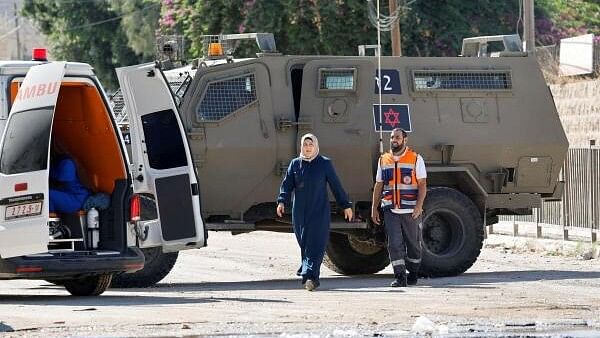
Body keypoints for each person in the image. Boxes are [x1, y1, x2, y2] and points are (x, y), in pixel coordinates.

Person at [277, 133, 353, 291]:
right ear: (301, 147)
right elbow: (287, 185)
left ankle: (311, 277)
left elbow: (335, 185)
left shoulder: (324, 163)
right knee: (304, 243)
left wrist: (345, 205)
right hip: (300, 212)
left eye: (311, 145)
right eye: (305, 145)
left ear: (316, 146)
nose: (308, 148)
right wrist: (282, 201)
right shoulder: (295, 164)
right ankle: (307, 272)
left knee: (316, 243)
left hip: (319, 210)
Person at [371, 128, 427, 287]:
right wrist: (374, 207)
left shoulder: (416, 159)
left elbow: (422, 185)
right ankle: (400, 277)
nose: (394, 140)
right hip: (390, 210)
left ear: (405, 139)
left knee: (414, 244)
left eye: (397, 137)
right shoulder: (383, 160)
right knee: (394, 244)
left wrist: (419, 206)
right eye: (391, 137)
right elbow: (379, 184)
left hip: (411, 211)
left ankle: (414, 273)